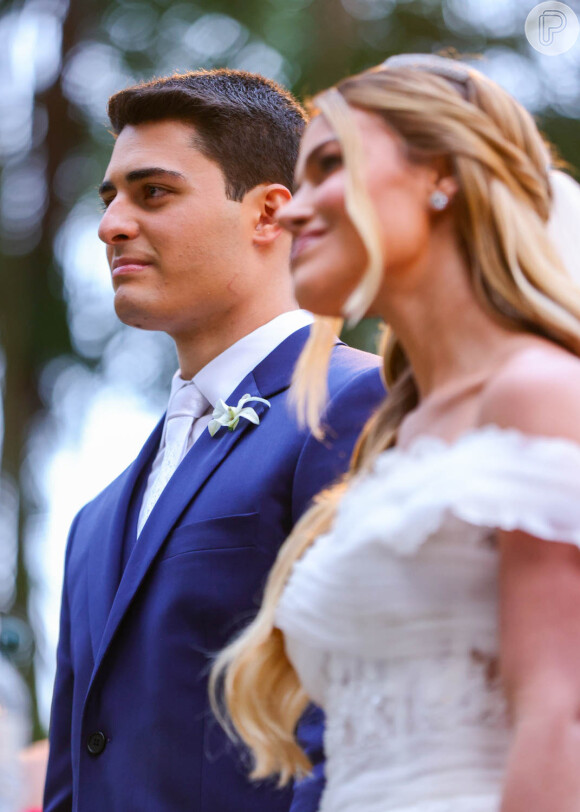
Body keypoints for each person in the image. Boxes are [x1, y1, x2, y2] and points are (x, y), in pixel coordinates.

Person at [211, 55, 580, 811]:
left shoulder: (537, 394)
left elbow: (562, 715)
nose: (289, 209)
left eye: (331, 166)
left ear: (441, 173)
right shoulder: (399, 437)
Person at [43, 69, 385, 812]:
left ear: (270, 214)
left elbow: (358, 721)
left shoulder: (356, 404)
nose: (111, 224)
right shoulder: (94, 520)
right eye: (109, 199)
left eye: (153, 192)